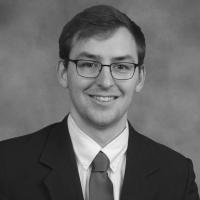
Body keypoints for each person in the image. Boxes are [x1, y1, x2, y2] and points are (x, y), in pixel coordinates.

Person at [0, 4, 199, 200]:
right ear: (63, 73)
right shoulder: (7, 166)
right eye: (88, 64)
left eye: (121, 66)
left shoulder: (177, 176)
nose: (105, 82)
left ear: (139, 78)